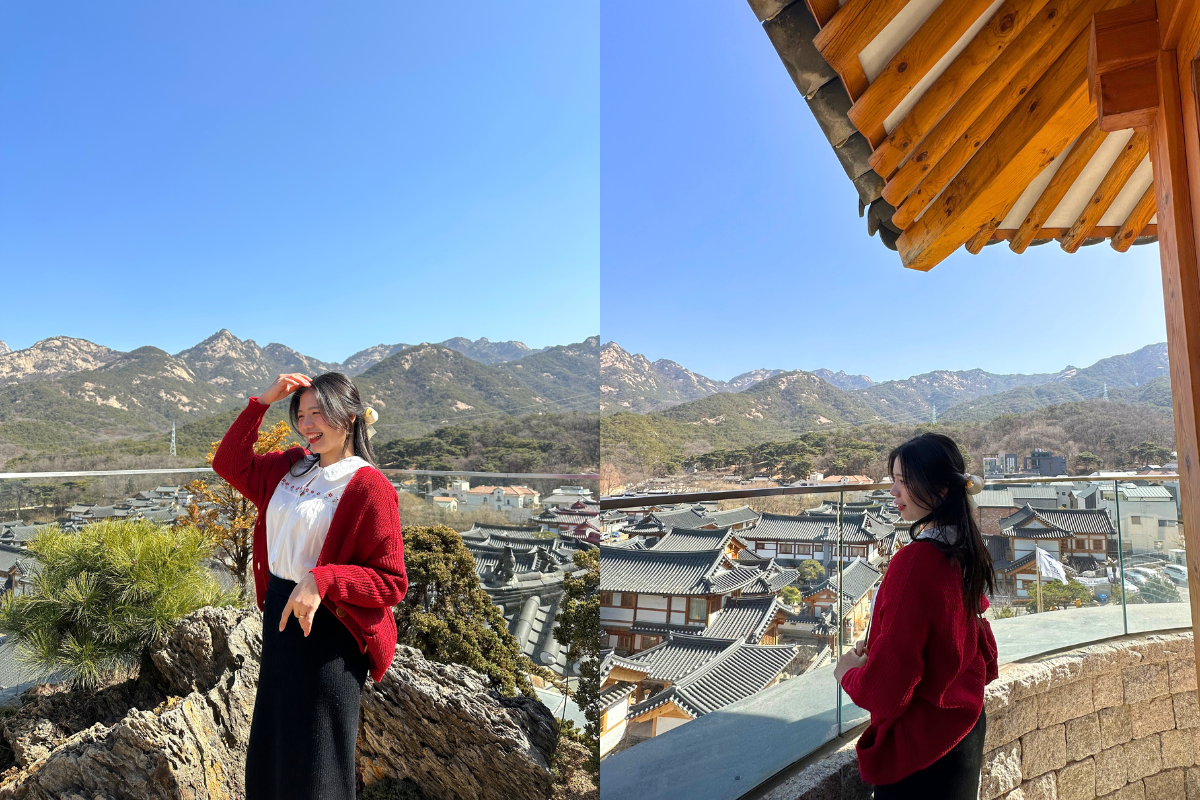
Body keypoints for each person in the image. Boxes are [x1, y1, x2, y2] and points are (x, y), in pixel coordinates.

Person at [212, 371, 407, 800]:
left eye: (319, 413)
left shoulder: (368, 486)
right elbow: (227, 463)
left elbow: (391, 582)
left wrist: (323, 579)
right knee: (274, 751)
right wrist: (262, 402)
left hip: (330, 636)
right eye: (301, 414)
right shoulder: (289, 467)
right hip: (281, 622)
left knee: (318, 764)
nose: (308, 424)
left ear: (351, 416)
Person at [833, 432, 998, 798]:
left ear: (940, 491)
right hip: (962, 736)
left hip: (921, 757)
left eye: (904, 482)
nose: (894, 492)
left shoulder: (915, 562)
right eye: (894, 480)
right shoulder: (965, 548)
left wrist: (848, 674)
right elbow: (973, 644)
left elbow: (888, 690)